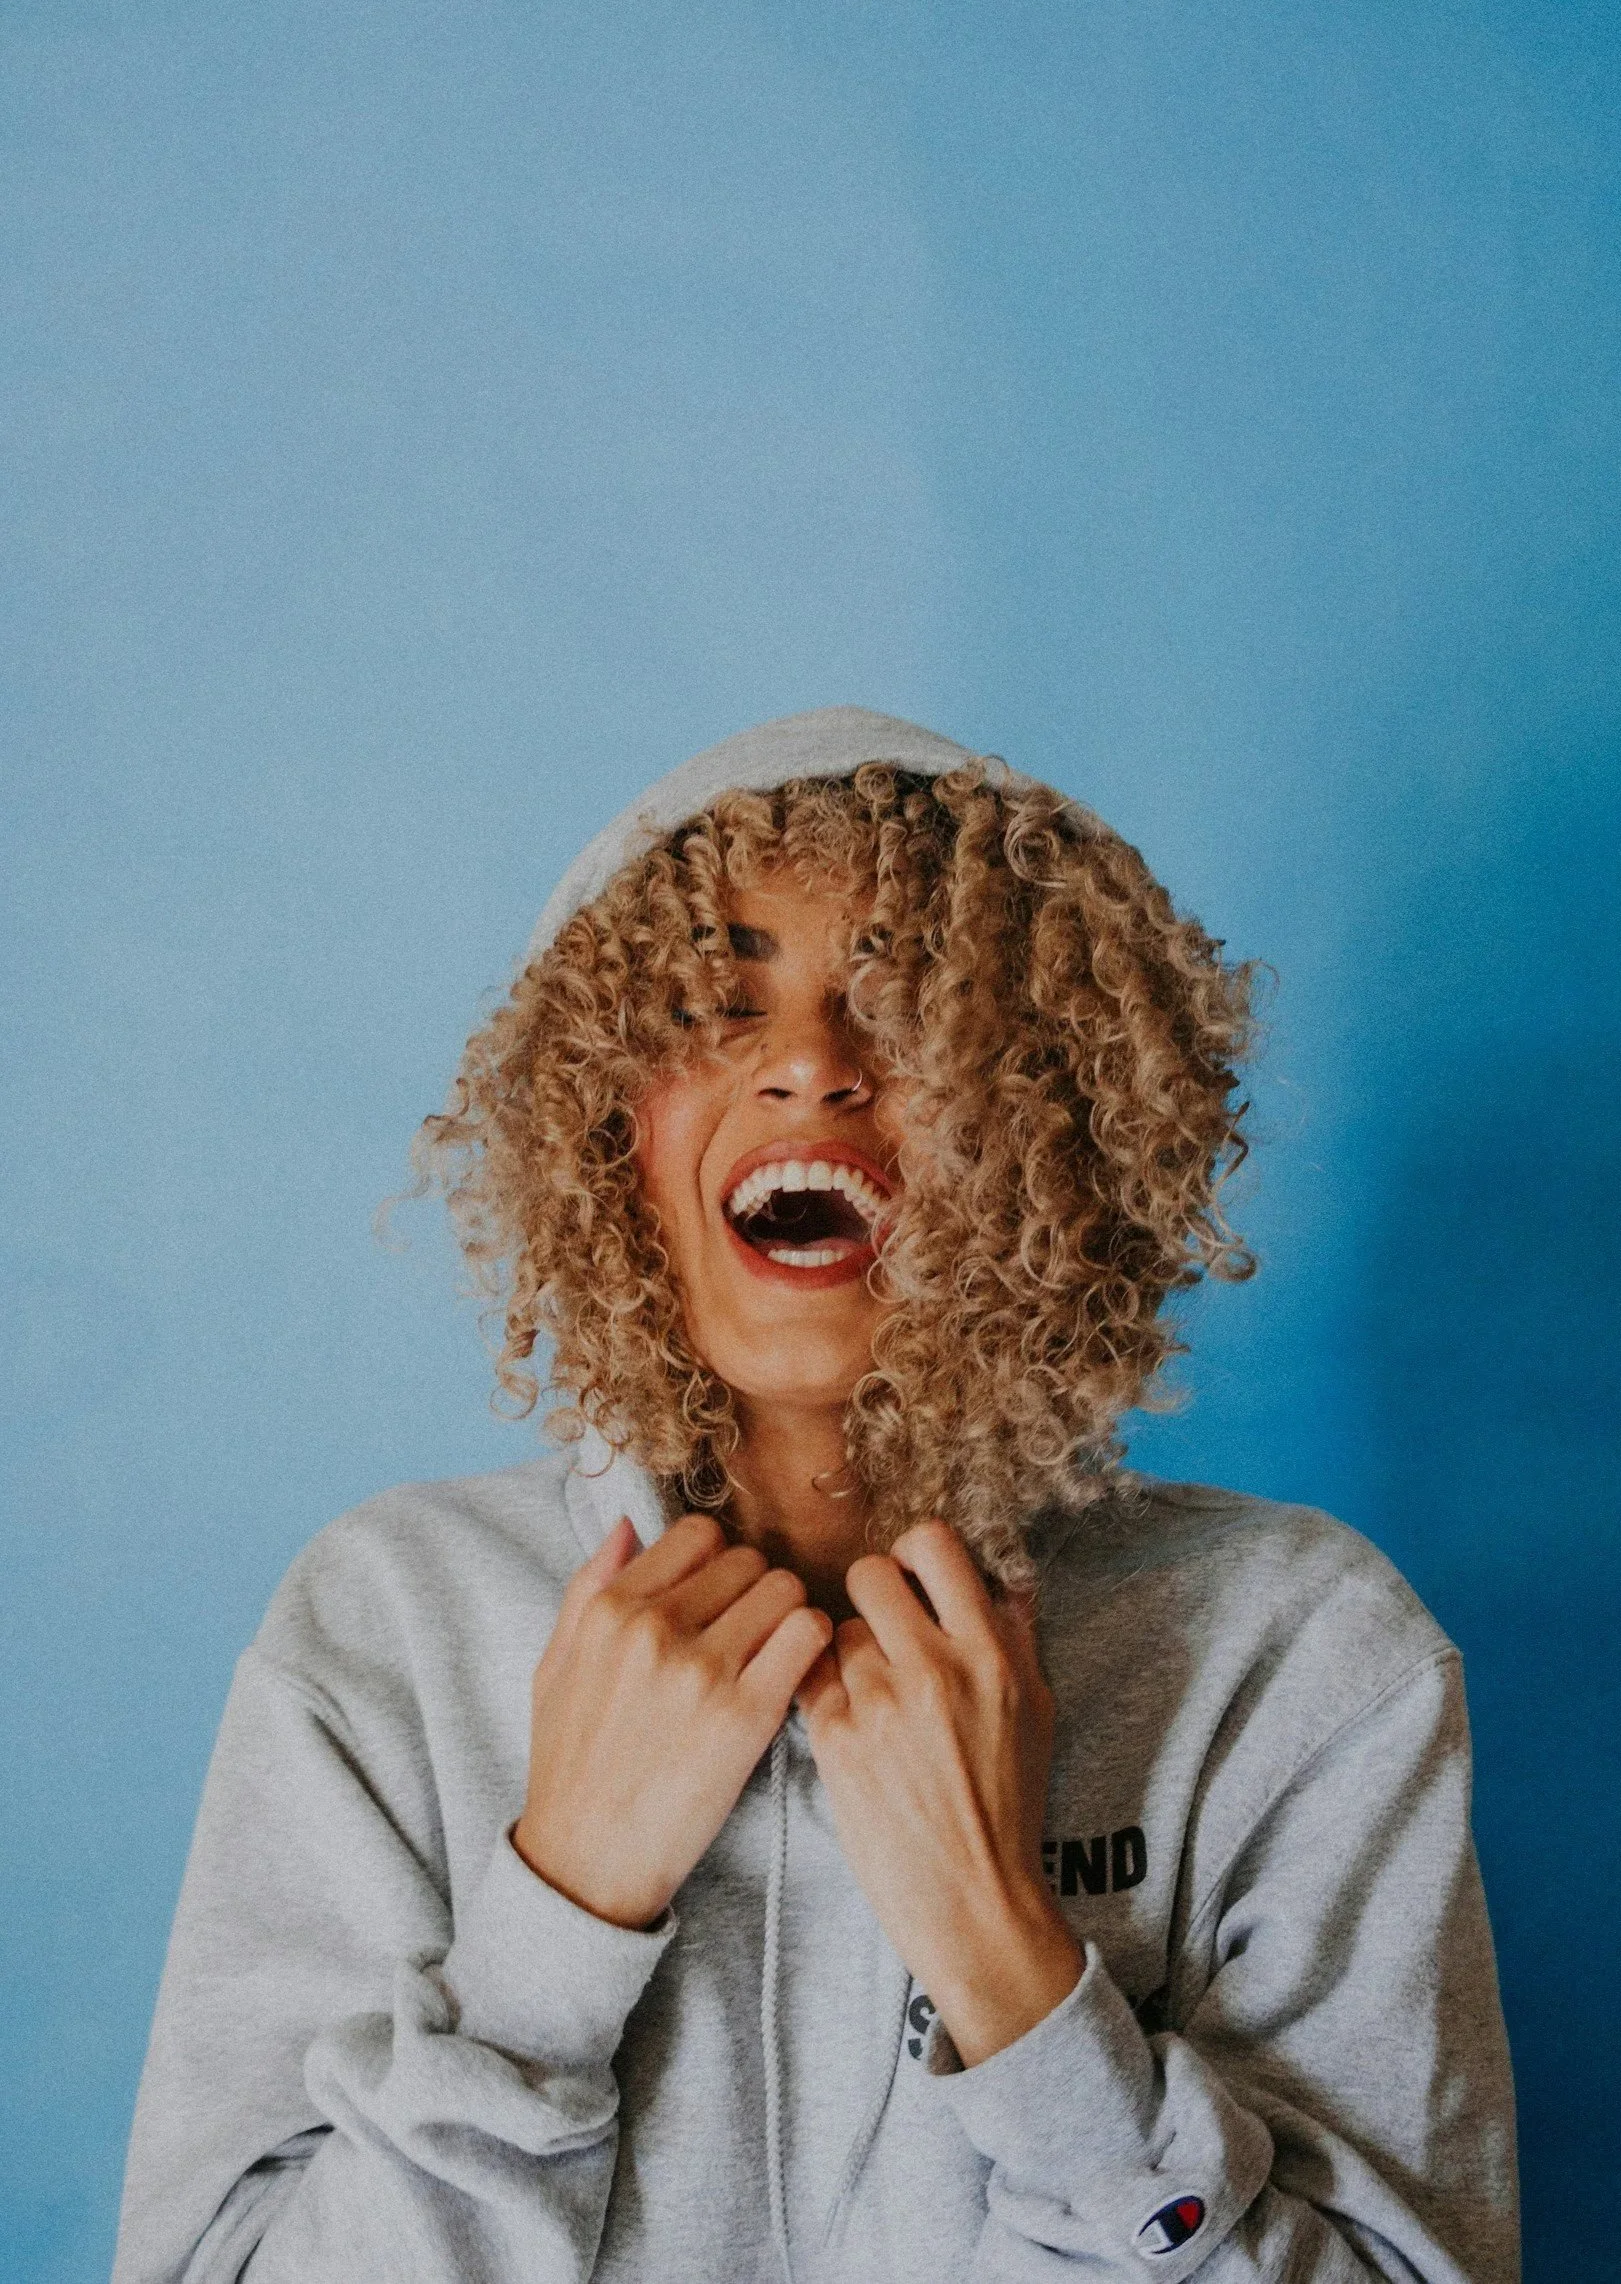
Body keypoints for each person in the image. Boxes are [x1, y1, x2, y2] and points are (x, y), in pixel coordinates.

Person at [113, 708, 1519, 2284]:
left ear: (1051, 1119)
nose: (808, 1067)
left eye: (912, 1007)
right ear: (605, 1130)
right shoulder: (387, 1626)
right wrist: (556, 1921)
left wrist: (1015, 1971)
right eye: (716, 1006)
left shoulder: (1300, 1657)